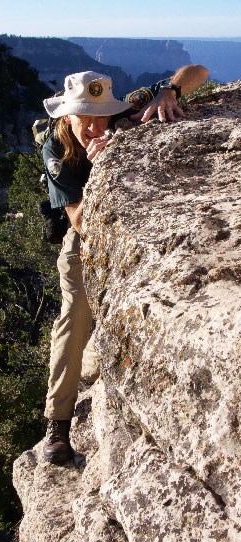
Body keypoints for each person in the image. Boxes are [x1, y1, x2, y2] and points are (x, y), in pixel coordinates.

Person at [41, 65, 209, 465]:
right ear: (68, 117)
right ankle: (58, 423)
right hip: (82, 235)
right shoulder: (56, 150)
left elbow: (198, 72)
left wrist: (168, 91)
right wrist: (102, 169)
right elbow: (79, 218)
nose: (96, 127)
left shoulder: (124, 110)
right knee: (75, 316)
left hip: (132, 225)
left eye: (102, 117)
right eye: (86, 119)